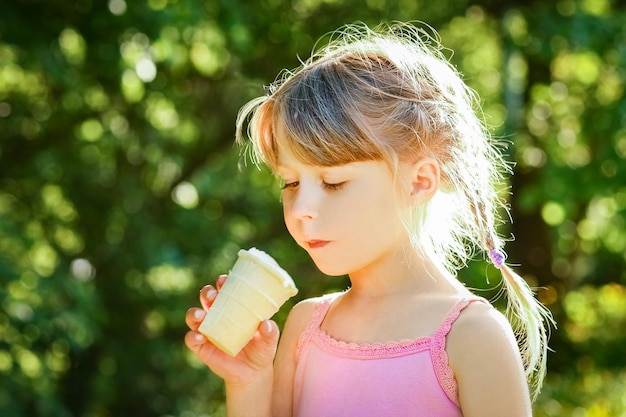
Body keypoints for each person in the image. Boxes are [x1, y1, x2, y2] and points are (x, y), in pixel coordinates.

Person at [184, 21, 554, 417]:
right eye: (290, 182)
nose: (301, 206)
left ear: (419, 182)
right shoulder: (305, 325)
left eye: (334, 182)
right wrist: (247, 380)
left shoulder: (471, 337)